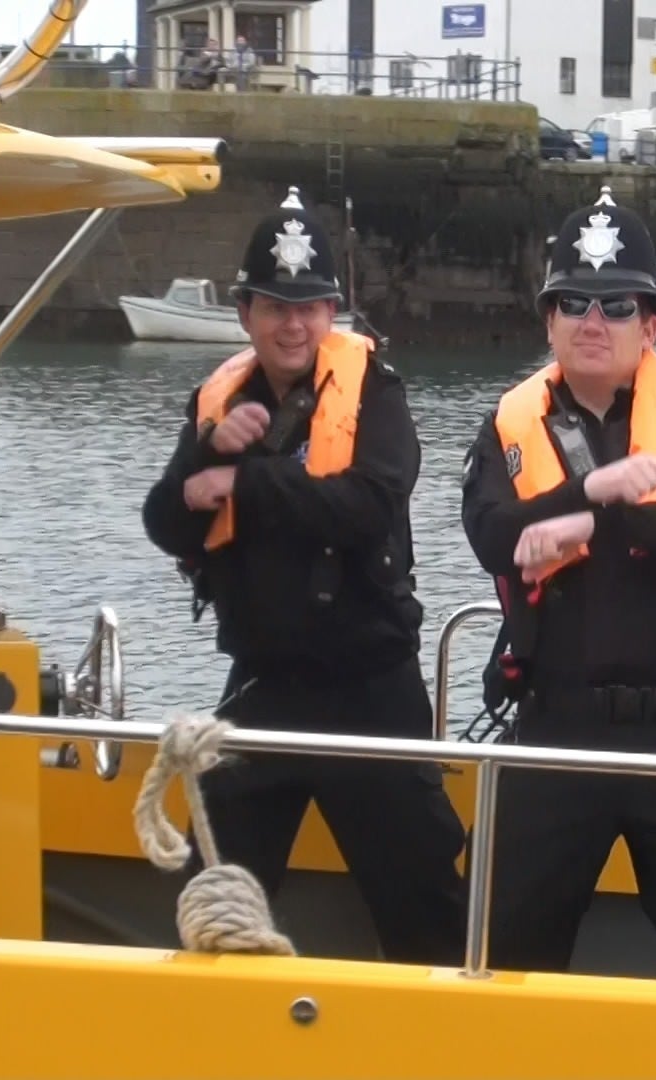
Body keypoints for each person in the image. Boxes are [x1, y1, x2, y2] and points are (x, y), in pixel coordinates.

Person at [459, 186, 656, 985]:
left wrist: (593, 520)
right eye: (572, 302)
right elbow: (494, 537)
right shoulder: (507, 425)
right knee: (502, 970)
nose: (591, 320)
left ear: (652, 324)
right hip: (557, 731)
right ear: (548, 319)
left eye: (615, 303)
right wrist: (595, 493)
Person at [141, 186, 466, 966]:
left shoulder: (377, 398)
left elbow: (367, 509)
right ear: (246, 312)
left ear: (332, 315)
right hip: (263, 688)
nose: (294, 324)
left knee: (424, 906)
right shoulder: (218, 405)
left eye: (311, 307)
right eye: (277, 307)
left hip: (369, 691)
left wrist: (245, 484)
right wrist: (207, 464)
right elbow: (166, 520)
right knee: (215, 901)